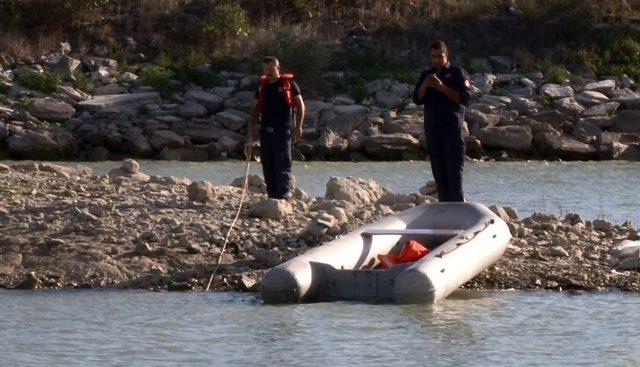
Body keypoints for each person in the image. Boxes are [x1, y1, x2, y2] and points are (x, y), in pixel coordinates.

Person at [412, 41, 471, 202]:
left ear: (446, 55)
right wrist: (425, 84)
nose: (437, 60)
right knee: (440, 176)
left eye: (440, 56)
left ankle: (458, 215)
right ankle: (444, 214)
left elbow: (465, 98)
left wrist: (442, 88)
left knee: (454, 177)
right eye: (433, 57)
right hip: (433, 130)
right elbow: (417, 98)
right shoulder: (427, 74)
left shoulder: (457, 73)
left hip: (452, 131)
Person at [248, 56, 306, 199]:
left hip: (283, 131)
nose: (268, 72)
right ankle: (272, 194)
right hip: (265, 131)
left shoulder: (289, 84)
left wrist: (298, 127)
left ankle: (284, 194)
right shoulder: (262, 86)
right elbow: (254, 109)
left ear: (277, 68)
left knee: (283, 162)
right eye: (265, 69)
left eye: (270, 69)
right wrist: (251, 133)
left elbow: (300, 105)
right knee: (267, 163)